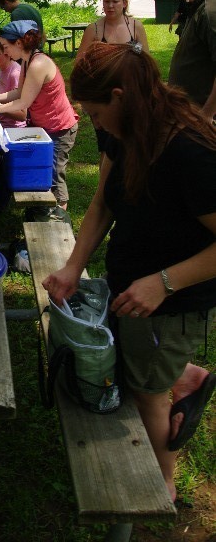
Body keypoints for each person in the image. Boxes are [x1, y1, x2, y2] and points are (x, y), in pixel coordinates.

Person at [42, 42, 216, 503]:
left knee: (147, 394)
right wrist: (73, 267)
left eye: (94, 111)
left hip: (172, 298)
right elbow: (101, 203)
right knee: (135, 367)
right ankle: (185, 375)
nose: (91, 121)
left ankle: (162, 488)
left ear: (119, 96)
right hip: (132, 285)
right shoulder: (123, 130)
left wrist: (163, 283)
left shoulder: (190, 150)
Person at [0, 20, 78, 215]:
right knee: (41, 173)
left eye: (6, 47)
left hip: (59, 128)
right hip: (43, 127)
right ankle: (39, 215)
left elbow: (22, 103)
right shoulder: (27, 61)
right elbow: (18, 92)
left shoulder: (38, 64)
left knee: (53, 176)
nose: (6, 52)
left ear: (19, 43)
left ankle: (58, 219)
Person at [75, 0, 149, 161]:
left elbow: (146, 61)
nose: (110, 6)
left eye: (114, 1)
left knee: (131, 141)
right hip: (103, 96)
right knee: (107, 146)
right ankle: (105, 187)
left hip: (131, 93)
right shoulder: (94, 29)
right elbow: (80, 64)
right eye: (106, 1)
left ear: (124, 3)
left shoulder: (135, 27)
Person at [167, 0, 216, 121]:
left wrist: (207, 115)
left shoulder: (210, 10)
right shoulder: (196, 6)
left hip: (202, 122)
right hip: (187, 116)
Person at [0, 33, 26, 128]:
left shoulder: (15, 74)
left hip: (13, 129)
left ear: (7, 53)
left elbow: (22, 115)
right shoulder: (3, 69)